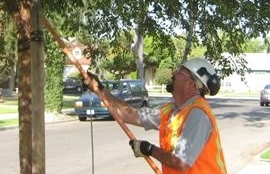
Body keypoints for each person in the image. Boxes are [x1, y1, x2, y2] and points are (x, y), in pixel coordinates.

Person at [85, 57, 227, 174]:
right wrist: (100, 89)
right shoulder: (171, 111)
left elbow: (181, 162)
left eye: (180, 71)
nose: (174, 73)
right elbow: (130, 114)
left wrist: (148, 149)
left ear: (191, 84)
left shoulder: (198, 114)